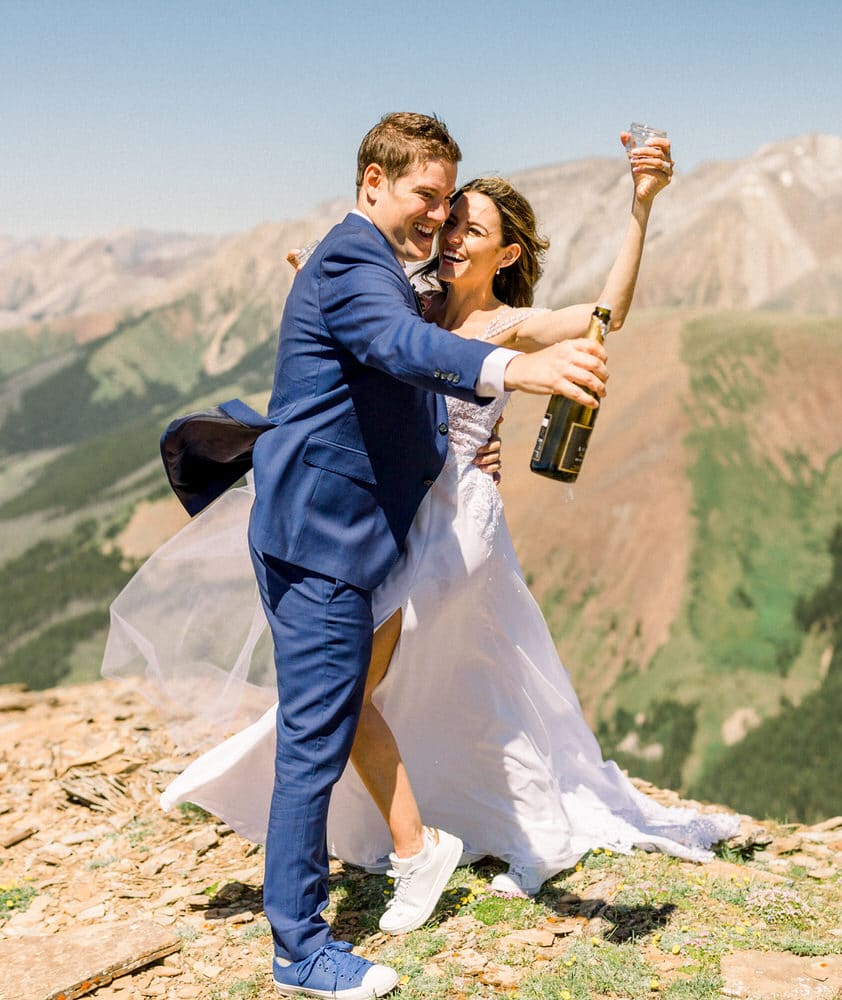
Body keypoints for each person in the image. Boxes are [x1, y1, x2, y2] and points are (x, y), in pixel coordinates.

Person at [170, 112, 608, 1000]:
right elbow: (397, 345)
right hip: (326, 538)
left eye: (448, 203)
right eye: (423, 196)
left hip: (324, 529)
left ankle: (353, 893)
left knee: (320, 724)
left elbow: (384, 357)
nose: (436, 218)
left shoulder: (361, 261)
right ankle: (301, 949)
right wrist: (511, 372)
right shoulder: (353, 263)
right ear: (373, 181)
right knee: (313, 740)